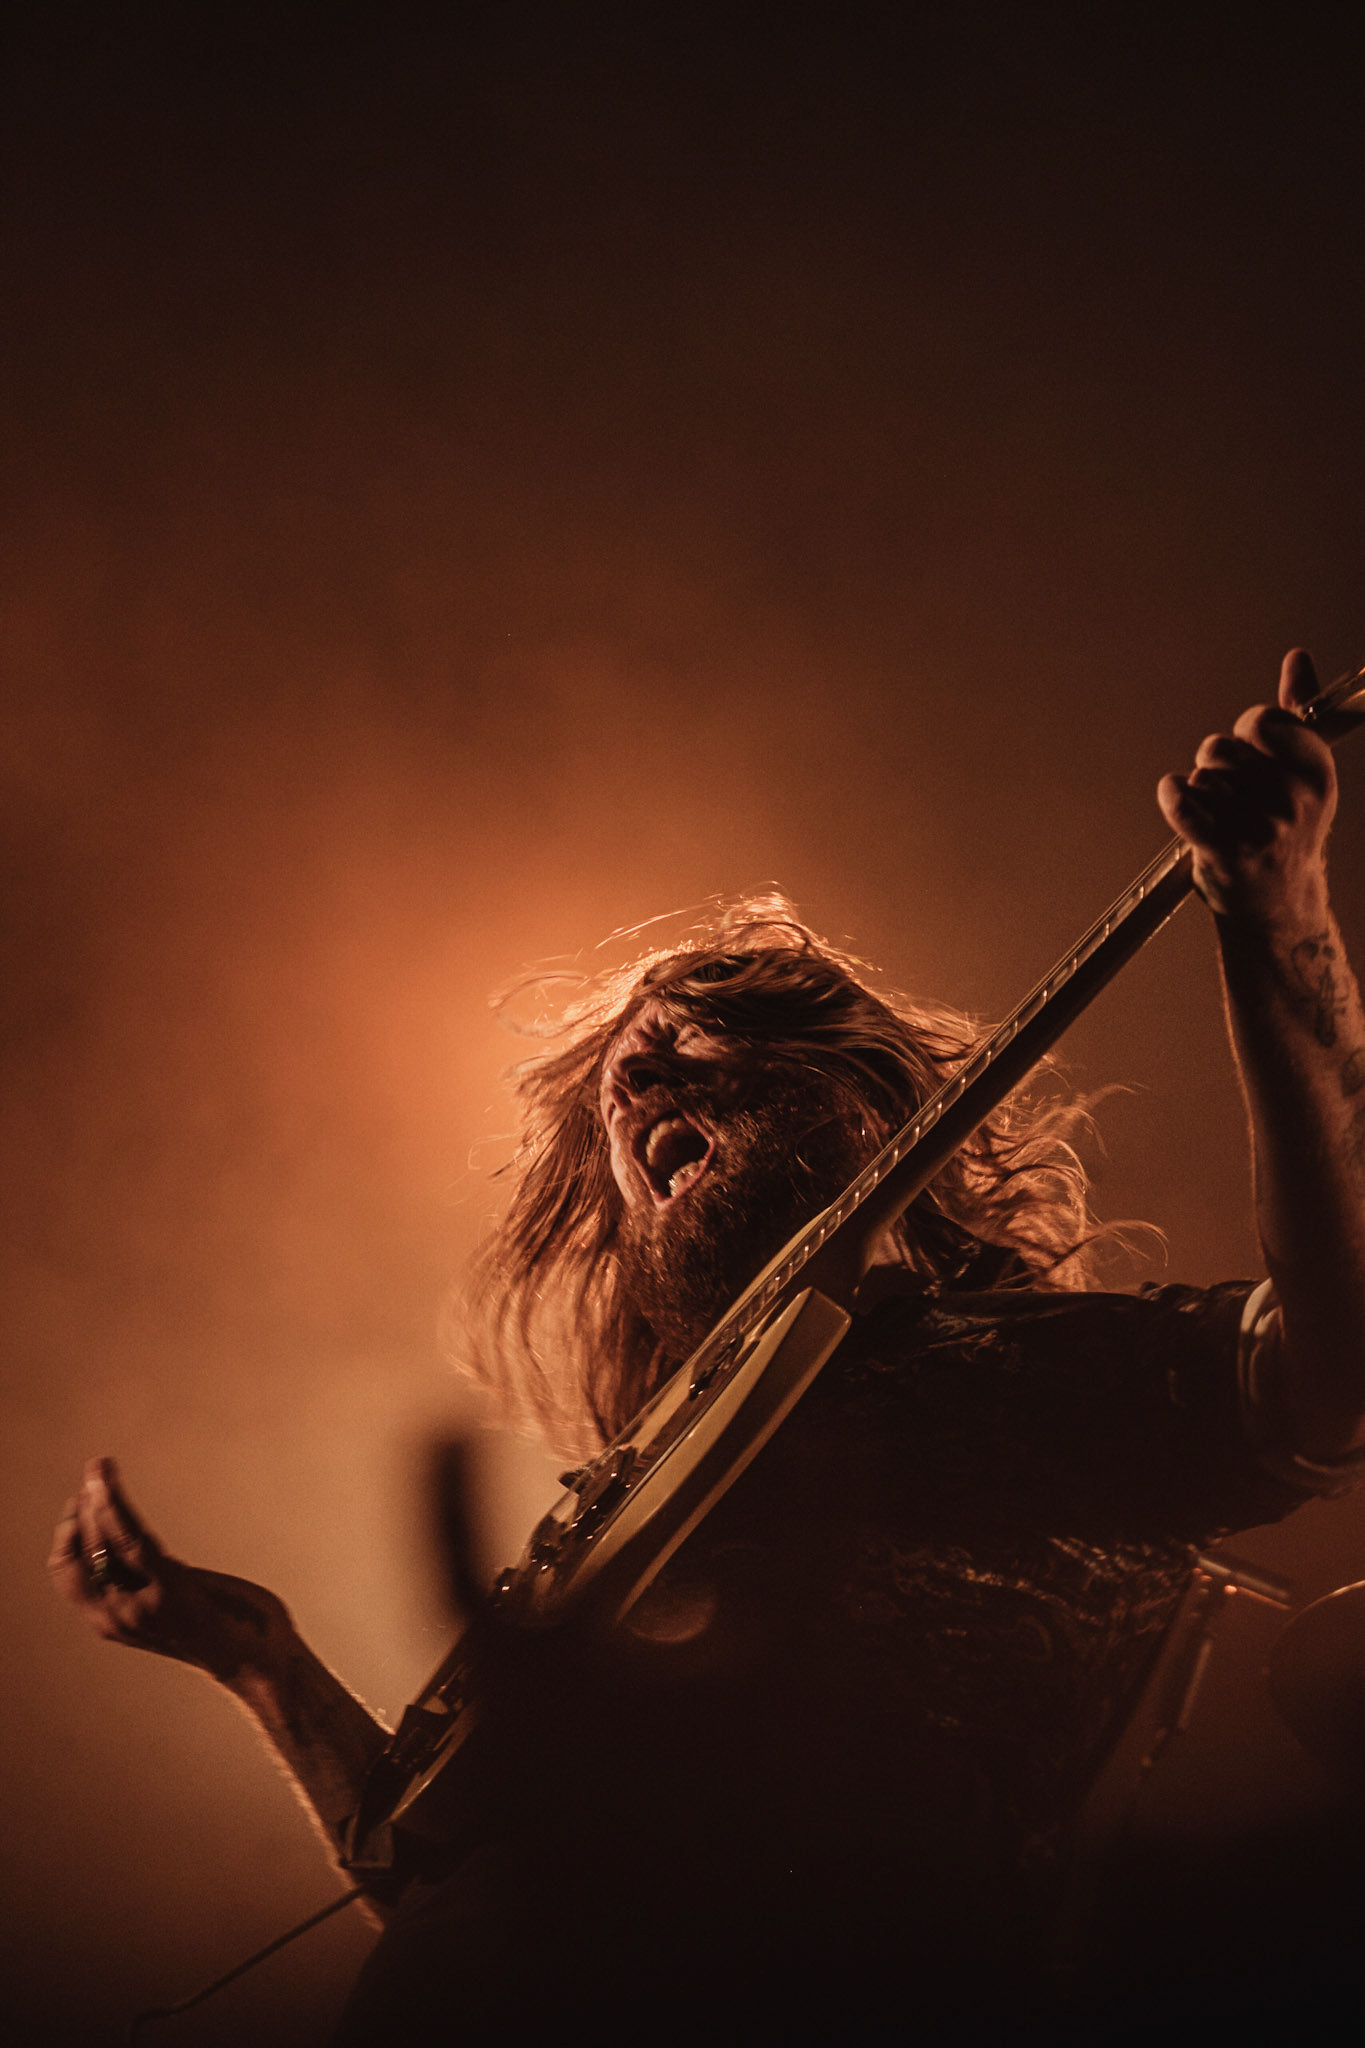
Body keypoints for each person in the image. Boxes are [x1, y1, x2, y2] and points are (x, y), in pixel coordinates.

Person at [49, 650, 1365, 2037]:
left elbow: (1324, 1376)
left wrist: (1277, 923)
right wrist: (260, 1660)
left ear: (857, 1105)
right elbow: (443, 1865)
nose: (634, 1087)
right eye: (623, 1098)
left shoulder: (976, 1365)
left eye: (688, 1048)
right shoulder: (637, 1504)